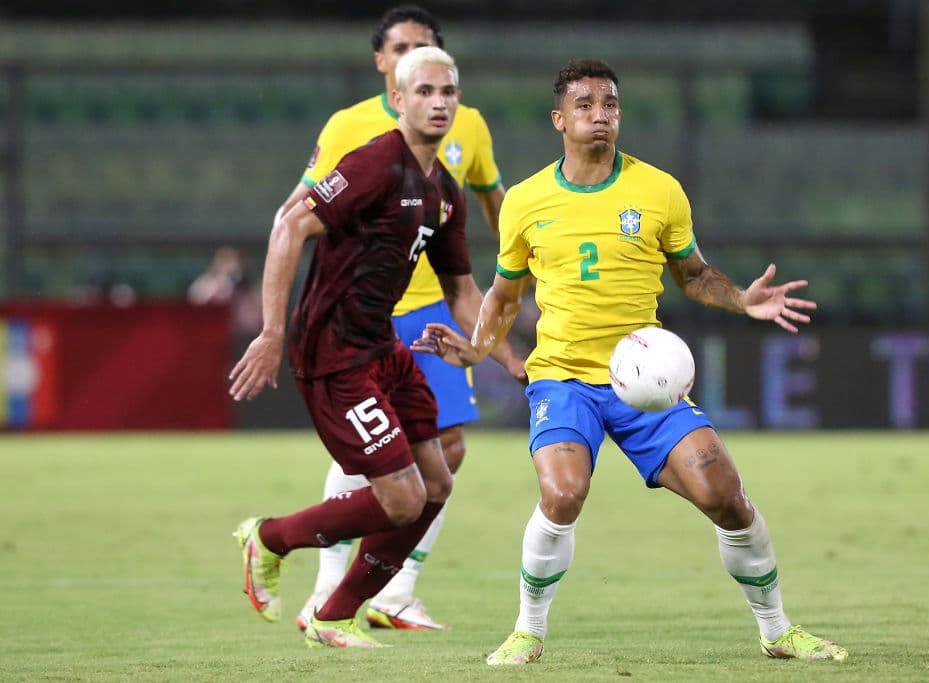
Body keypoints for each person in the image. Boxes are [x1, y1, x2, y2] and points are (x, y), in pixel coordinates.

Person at [413, 58, 849, 666]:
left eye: (610, 104)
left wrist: (741, 299)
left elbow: (694, 276)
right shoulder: (527, 201)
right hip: (563, 376)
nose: (600, 115)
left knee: (725, 496)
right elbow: (507, 293)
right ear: (558, 118)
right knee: (563, 494)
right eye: (586, 105)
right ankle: (528, 631)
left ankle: (777, 630)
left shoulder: (659, 190)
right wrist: (481, 349)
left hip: (647, 382)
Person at [229, 46, 521, 650]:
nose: (439, 102)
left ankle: (335, 615)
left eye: (448, 93)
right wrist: (272, 331)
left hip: (383, 348)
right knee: (402, 498)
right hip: (334, 355)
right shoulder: (372, 164)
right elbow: (289, 226)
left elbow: (464, 291)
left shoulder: (443, 189)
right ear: (398, 99)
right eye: (425, 92)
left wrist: (511, 361)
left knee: (436, 486)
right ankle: (270, 539)